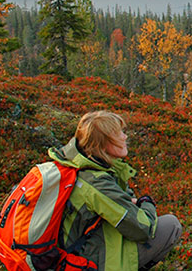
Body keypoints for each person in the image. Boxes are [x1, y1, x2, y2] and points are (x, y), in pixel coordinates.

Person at [48, 110, 182, 271]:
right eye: (118, 134)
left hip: (69, 251)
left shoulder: (75, 166)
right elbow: (142, 227)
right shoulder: (96, 184)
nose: (125, 137)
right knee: (171, 226)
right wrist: (146, 202)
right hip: (81, 261)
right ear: (103, 144)